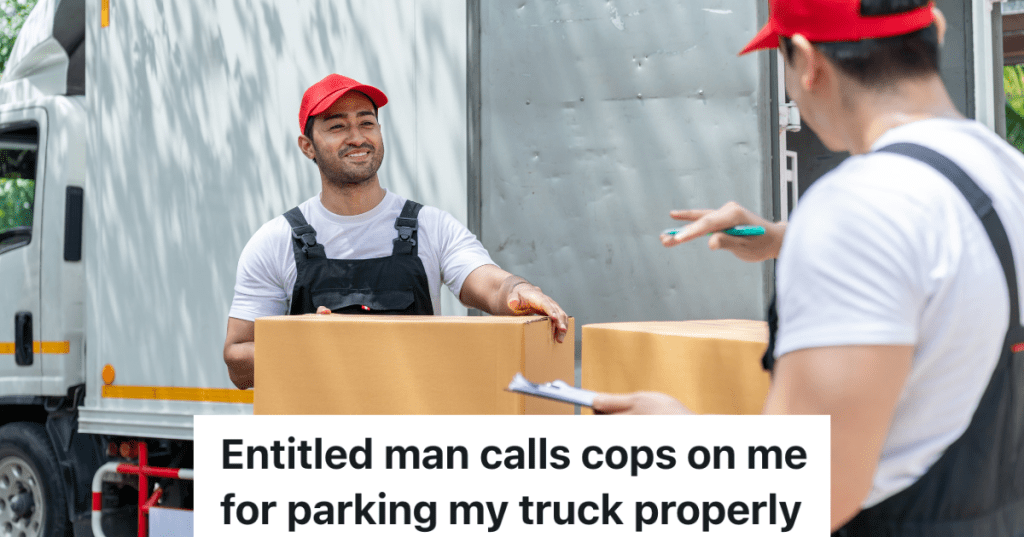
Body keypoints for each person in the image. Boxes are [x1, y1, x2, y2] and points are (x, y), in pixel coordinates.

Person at [593, 0, 1024, 534]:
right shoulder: (1005, 172)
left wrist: (681, 441)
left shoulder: (856, 209)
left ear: (805, 59)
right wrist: (778, 239)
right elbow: (947, 260)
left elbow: (801, 492)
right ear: (933, 27)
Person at [224, 74, 569, 390]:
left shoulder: (430, 227)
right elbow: (238, 363)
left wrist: (520, 290)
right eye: (337, 126)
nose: (357, 137)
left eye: (366, 123)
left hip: (412, 442)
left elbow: (493, 287)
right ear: (307, 146)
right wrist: (301, 343)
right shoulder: (276, 240)